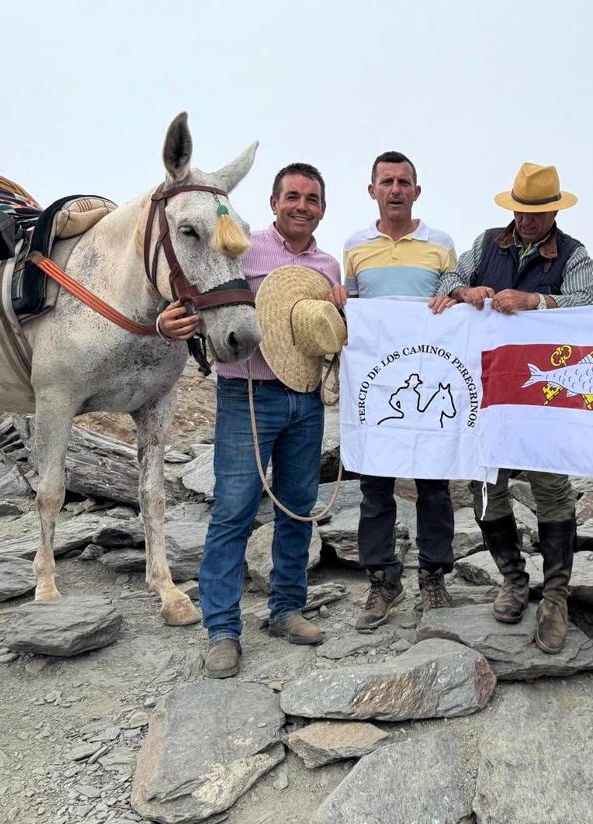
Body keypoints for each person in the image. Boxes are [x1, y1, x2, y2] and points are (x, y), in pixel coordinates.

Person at [158, 162, 346, 678]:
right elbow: (192, 287)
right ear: (274, 202)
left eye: (311, 198)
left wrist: (339, 312)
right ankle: (222, 629)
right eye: (293, 196)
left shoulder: (329, 266)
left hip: (305, 396)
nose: (302, 206)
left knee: (298, 508)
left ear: (322, 209)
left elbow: (329, 332)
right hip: (246, 394)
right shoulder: (240, 246)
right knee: (234, 510)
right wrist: (165, 323)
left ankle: (287, 608)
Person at [431, 162, 593, 654]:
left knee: (552, 488)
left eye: (537, 212)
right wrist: (464, 292)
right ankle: (513, 579)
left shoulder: (575, 254)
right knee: (486, 485)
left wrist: (535, 302)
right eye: (521, 210)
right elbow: (446, 281)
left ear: (554, 212)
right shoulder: (486, 244)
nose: (526, 220)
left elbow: (586, 305)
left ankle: (556, 595)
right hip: (490, 390)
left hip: (546, 395)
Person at [342, 151, 459, 630]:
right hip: (378, 386)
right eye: (387, 181)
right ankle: (382, 580)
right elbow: (352, 312)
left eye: (404, 182)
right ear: (372, 190)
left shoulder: (441, 245)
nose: (395, 189)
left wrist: (453, 300)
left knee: (434, 486)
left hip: (429, 383)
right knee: (375, 487)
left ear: (417, 191)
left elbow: (453, 301)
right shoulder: (354, 247)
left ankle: (434, 577)